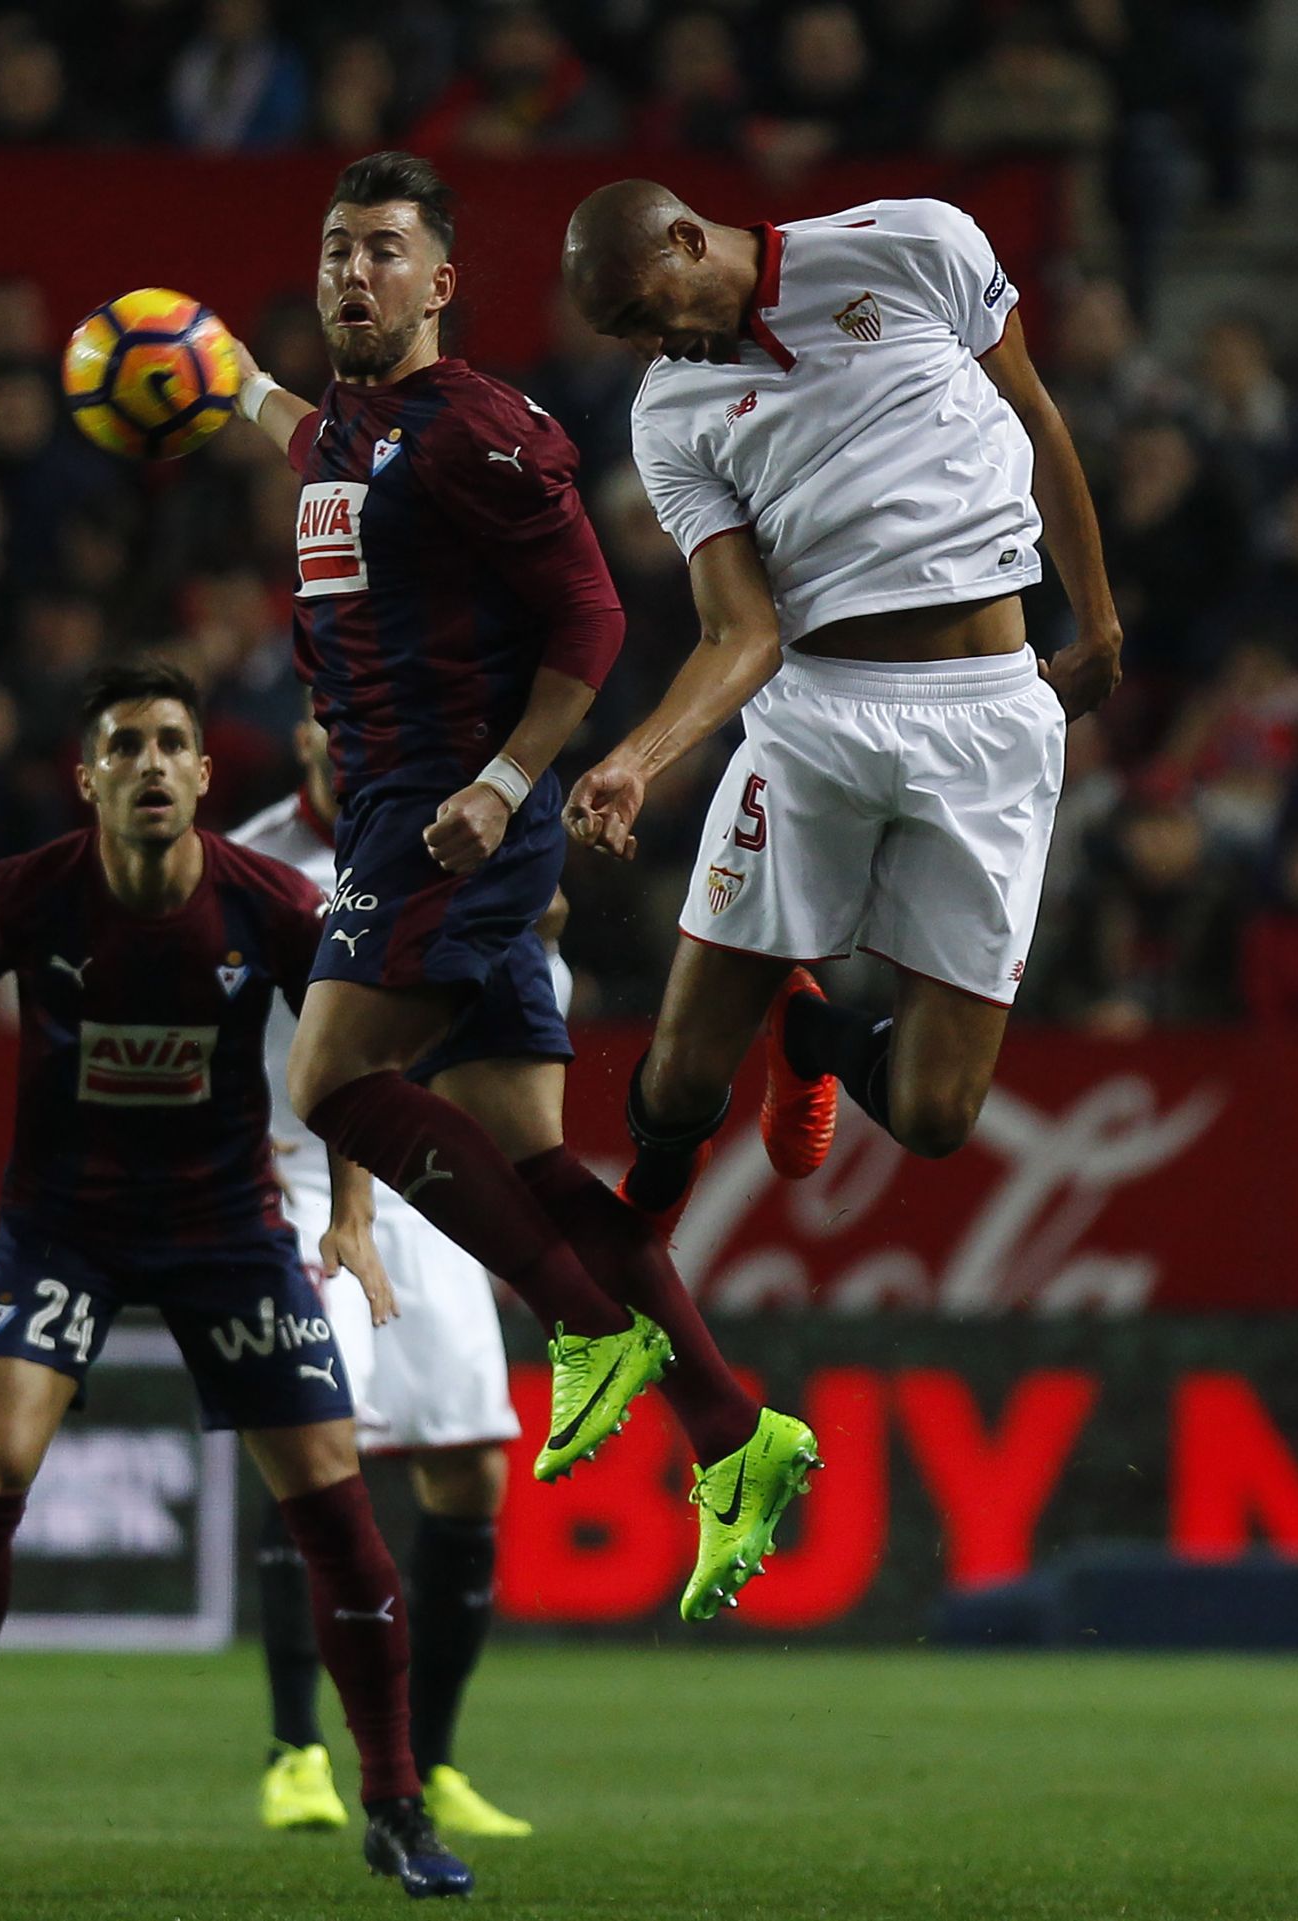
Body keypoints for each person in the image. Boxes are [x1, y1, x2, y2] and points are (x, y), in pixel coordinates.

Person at [231, 149, 817, 1623]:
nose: (352, 270)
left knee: (331, 1080)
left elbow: (594, 618)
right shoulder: (349, 432)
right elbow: (318, 445)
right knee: (539, 1166)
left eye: (383, 249)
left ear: (441, 282)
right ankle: (734, 1431)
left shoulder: (479, 430)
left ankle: (580, 1325)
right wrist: (227, 382)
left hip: (444, 813)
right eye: (336, 248)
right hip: (407, 809)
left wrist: (501, 786)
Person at [0, 660, 471, 1900]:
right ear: (88, 777)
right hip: (64, 1229)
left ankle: (395, 1801)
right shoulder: (19, 894)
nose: (151, 762)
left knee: (333, 1495)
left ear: (201, 773)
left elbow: (349, 1054)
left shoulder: (275, 903)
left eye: (172, 743)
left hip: (224, 1230)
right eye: (126, 744)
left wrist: (353, 1211)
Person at [558, 180, 1122, 1225]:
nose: (645, 346)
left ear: (687, 240)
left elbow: (1035, 413)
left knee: (934, 1114)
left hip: (989, 715)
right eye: (619, 333)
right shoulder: (669, 414)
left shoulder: (916, 241)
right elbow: (743, 632)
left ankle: (809, 1034)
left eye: (643, 312)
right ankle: (630, 1242)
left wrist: (1098, 620)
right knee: (679, 1080)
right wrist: (638, 758)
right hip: (816, 719)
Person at [232, 717, 538, 1838]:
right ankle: (297, 1751)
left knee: (471, 1470)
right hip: (296, 1177)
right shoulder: (251, 861)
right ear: (304, 725)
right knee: (317, 1449)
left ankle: (436, 1759)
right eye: (323, 709)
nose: (339, 730)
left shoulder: (450, 841)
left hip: (418, 1179)